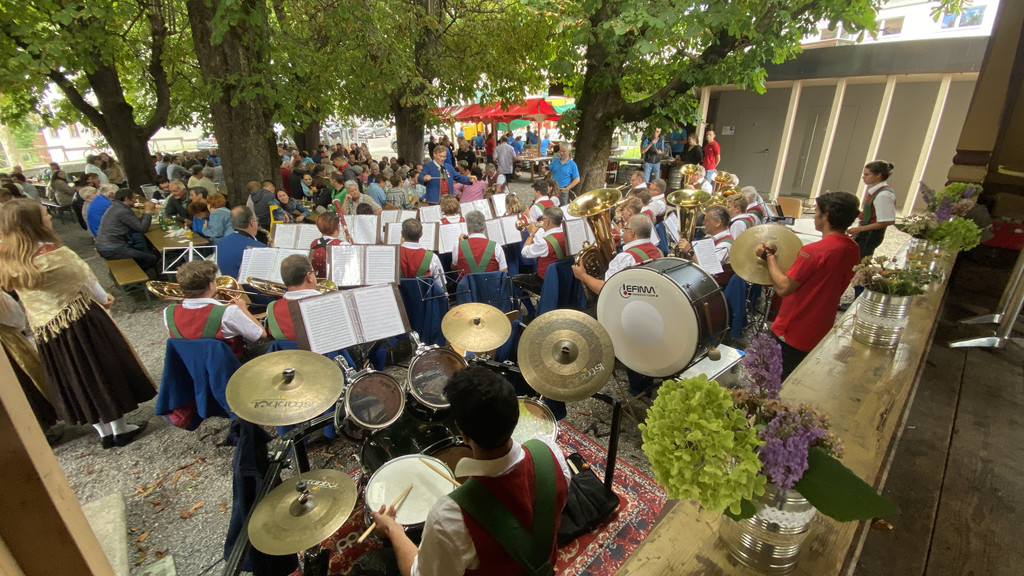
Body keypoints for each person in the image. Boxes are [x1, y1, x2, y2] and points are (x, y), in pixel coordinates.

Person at [369, 367, 569, 576]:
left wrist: (393, 529)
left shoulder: (450, 515)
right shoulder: (551, 453)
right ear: (516, 415)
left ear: (463, 435)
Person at [0, 199, 154, 448]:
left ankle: (103, 431)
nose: (49, 217)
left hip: (47, 331)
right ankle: (120, 428)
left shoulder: (9, 259)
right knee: (100, 369)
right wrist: (104, 299)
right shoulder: (55, 254)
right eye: (44, 214)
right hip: (81, 321)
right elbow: (86, 280)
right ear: (34, 223)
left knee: (74, 375)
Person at [758, 191, 861, 380]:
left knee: (774, 382)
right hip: (821, 327)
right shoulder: (853, 248)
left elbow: (783, 288)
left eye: (816, 211)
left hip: (792, 330)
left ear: (826, 216)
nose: (814, 216)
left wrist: (768, 257)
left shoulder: (815, 251)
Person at [163, 260, 265, 360]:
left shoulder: (168, 312)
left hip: (191, 365)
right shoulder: (229, 312)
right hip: (230, 364)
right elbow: (261, 335)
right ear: (211, 285)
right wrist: (243, 310)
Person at [573, 214, 661, 295]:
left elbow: (605, 289)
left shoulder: (625, 258)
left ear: (632, 233)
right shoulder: (658, 251)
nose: (622, 232)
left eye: (624, 229)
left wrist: (583, 275)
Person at [96, 188, 159, 272]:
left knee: (145, 250)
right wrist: (147, 211)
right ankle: (135, 274)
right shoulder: (122, 211)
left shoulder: (115, 207)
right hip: (113, 249)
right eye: (134, 198)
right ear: (126, 199)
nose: (135, 201)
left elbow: (136, 224)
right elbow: (142, 228)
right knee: (152, 258)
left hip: (106, 245)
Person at [512, 207, 567, 295]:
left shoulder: (544, 243)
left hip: (545, 281)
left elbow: (524, 252)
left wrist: (532, 234)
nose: (541, 221)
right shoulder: (566, 234)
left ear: (548, 221)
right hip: (564, 277)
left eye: (543, 218)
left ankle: (531, 305)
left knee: (514, 279)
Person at [847, 160, 896, 259]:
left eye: (867, 174)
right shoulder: (877, 191)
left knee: (860, 259)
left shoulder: (883, 195)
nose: (863, 177)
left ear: (878, 175)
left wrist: (859, 229)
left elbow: (886, 221)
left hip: (870, 234)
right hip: (866, 231)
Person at [265, 255, 321, 341]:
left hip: (288, 350)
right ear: (309, 276)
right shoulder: (327, 302)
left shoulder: (271, 308)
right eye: (314, 273)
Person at [676, 205, 732, 284]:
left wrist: (690, 251)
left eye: (707, 220)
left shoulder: (725, 244)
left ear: (718, 222)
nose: (703, 223)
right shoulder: (711, 238)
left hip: (715, 286)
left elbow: (708, 270)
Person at [216, 207, 268, 280]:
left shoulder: (221, 242)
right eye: (256, 220)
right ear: (252, 223)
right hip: (247, 287)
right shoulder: (260, 248)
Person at [453, 211, 508, 278]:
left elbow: (455, 268)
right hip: (491, 284)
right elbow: (504, 272)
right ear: (484, 226)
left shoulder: (458, 246)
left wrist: (463, 245)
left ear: (467, 227)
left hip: (467, 285)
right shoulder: (496, 247)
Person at [399, 218, 445, 288]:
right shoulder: (432, 257)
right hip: (425, 294)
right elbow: (441, 285)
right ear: (421, 234)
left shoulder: (393, 255)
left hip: (399, 294)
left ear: (402, 234)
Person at [310, 212, 348, 278]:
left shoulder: (314, 243)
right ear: (338, 227)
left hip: (317, 281)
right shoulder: (343, 245)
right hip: (336, 281)